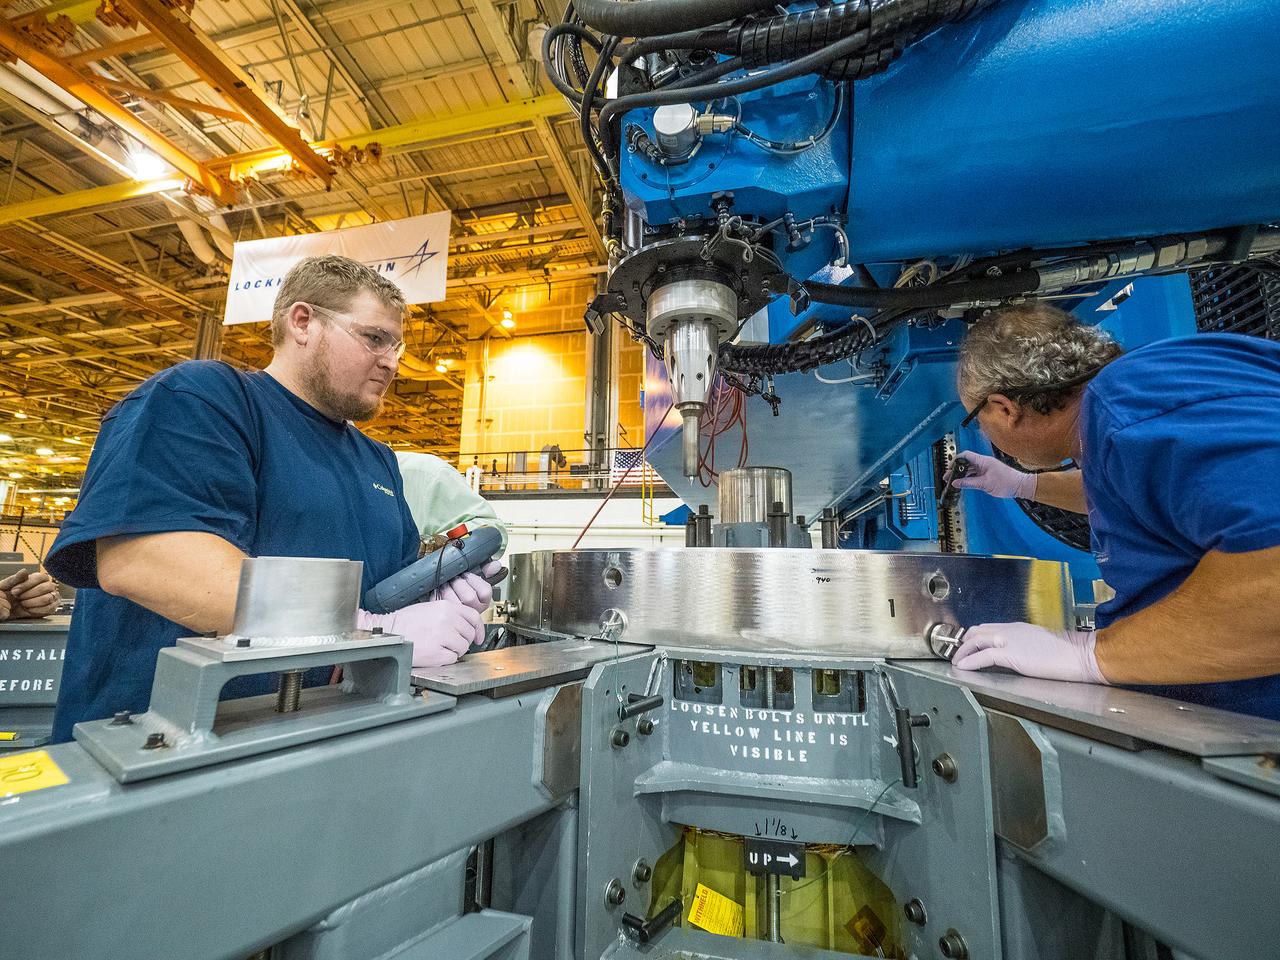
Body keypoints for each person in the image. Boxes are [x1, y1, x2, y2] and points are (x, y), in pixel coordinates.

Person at [45, 255, 488, 742]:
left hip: (321, 742)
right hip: (157, 746)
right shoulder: (204, 398)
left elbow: (379, 592)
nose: (392, 361)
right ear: (303, 322)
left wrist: (435, 593)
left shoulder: (378, 461)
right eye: (375, 338)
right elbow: (144, 558)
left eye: (398, 346)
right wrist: (371, 631)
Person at [946, 301, 1280, 720]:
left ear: (1004, 408)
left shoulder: (1129, 410)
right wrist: (1023, 485)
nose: (984, 432)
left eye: (977, 421)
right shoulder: (1138, 400)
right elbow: (1148, 495)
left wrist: (1089, 655)